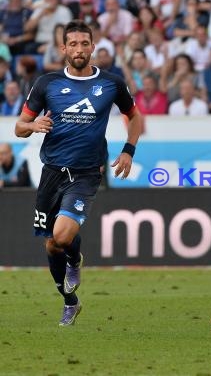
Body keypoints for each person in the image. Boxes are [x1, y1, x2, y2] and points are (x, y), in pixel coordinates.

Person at [14, 20, 144, 326]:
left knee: (62, 235)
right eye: (72, 44)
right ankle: (70, 301)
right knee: (51, 244)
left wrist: (128, 150)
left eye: (84, 43)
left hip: (86, 173)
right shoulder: (47, 83)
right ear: (63, 49)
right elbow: (19, 127)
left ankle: (74, 259)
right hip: (51, 173)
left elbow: (134, 117)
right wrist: (33, 126)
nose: (79, 49)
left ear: (93, 46)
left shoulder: (111, 83)